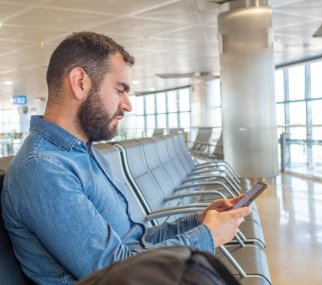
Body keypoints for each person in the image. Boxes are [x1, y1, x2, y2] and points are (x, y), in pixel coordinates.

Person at [1, 32, 251, 285]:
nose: (128, 105)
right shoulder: (43, 169)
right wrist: (208, 236)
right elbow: (117, 273)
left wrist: (198, 221)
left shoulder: (85, 154)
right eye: (120, 90)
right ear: (79, 82)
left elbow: (135, 242)